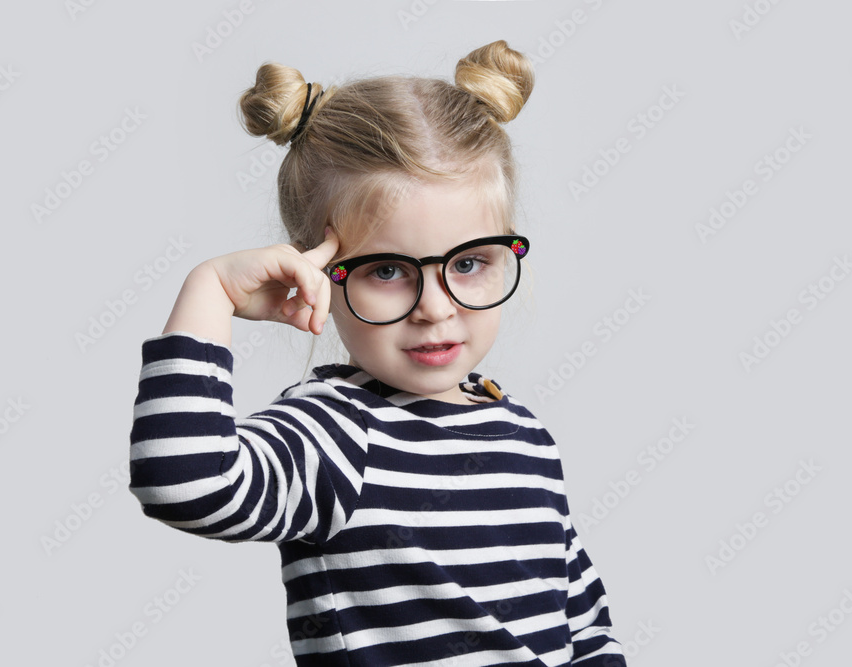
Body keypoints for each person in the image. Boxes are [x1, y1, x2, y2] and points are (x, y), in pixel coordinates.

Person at [128, 39, 626, 666]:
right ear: (315, 271)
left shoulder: (522, 433)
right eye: (387, 271)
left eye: (469, 263)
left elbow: (582, 620)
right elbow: (183, 484)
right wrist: (212, 293)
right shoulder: (336, 435)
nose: (436, 307)